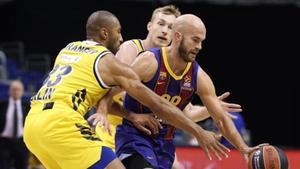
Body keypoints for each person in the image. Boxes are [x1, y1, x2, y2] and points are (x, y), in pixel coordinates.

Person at [23, 10, 233, 169]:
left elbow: (176, 108)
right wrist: (199, 132)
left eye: (170, 26)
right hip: (80, 126)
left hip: (33, 123)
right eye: (118, 32)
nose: (121, 38)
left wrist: (131, 115)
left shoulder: (67, 49)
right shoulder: (125, 54)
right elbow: (157, 104)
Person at [92, 5, 242, 169]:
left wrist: (211, 108)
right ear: (150, 26)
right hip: (115, 129)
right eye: (161, 24)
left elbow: (184, 113)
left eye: (170, 27)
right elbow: (118, 93)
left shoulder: (175, 66)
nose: (165, 31)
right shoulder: (132, 49)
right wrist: (161, 111)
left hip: (155, 137)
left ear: (176, 34)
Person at [0, 80, 29, 169]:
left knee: (22, 165)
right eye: (14, 89)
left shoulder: (27, 107)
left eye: (18, 89)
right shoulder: (2, 106)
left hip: (21, 142)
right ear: (10, 91)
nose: (16, 91)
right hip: (4, 142)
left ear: (22, 91)